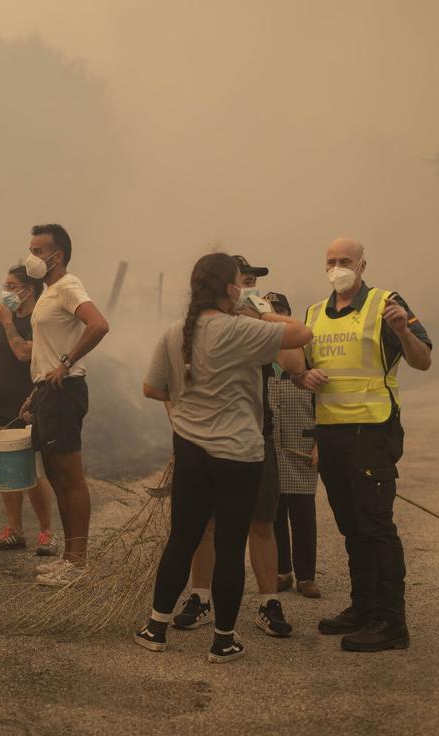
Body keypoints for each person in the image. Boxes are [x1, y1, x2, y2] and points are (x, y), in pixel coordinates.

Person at [135, 253, 312, 663]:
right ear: (228, 289)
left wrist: (185, 407)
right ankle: (223, 640)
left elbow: (151, 387)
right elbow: (301, 335)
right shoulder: (242, 330)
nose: (243, 289)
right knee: (231, 545)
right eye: (239, 283)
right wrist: (260, 314)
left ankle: (155, 627)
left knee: (183, 537)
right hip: (238, 454)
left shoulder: (176, 331)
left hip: (190, 449)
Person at [294, 237, 432, 652]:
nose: (338, 268)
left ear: (363, 264)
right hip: (331, 433)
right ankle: (364, 607)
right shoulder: (314, 313)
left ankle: (392, 623)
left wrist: (402, 331)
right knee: (351, 527)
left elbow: (423, 360)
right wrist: (304, 376)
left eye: (346, 261)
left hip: (372, 432)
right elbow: (302, 365)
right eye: (332, 261)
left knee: (376, 528)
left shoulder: (386, 303)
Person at [18, 223, 110, 588]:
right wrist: (34, 391)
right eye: (32, 249)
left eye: (38, 251)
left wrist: (66, 362)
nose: (32, 257)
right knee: (56, 477)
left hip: (65, 390)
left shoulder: (69, 287)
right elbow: (46, 347)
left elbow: (99, 325)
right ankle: (69, 558)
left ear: (58, 255)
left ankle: (79, 561)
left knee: (70, 478)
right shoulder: (49, 291)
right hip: (46, 391)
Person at [0, 264, 58, 556]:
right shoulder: (3, 319)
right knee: (6, 467)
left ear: (28, 290)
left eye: (11, 286)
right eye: (4, 286)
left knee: (31, 468)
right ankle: (14, 530)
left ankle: (47, 532)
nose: (5, 292)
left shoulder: (37, 319)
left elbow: (23, 354)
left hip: (23, 403)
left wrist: (8, 321)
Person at [266, 292, 321, 599]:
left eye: (279, 314)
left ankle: (306, 577)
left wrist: (319, 445)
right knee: (273, 513)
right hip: (270, 447)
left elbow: (323, 403)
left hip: (301, 446)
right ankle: (281, 572)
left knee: (302, 514)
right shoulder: (259, 357)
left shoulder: (306, 356)